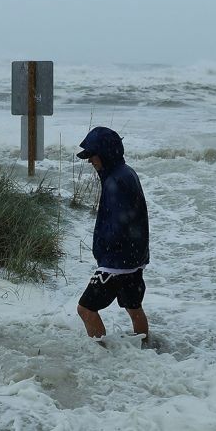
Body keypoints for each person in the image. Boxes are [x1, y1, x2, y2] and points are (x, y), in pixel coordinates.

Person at [75, 126, 150, 342]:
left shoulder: (115, 180)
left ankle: (102, 358)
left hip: (117, 262)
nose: (90, 161)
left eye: (92, 155)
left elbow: (119, 223)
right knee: (134, 307)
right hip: (135, 258)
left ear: (105, 153)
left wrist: (104, 248)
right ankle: (146, 350)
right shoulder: (126, 172)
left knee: (85, 309)